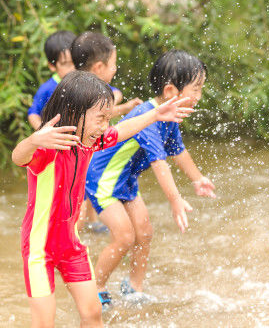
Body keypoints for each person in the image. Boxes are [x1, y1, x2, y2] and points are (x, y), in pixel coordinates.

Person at [12, 70, 193, 328]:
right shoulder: (49, 148)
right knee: (44, 323)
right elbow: (17, 157)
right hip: (39, 250)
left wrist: (154, 114)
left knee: (93, 314)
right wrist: (33, 140)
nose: (105, 126)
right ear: (74, 112)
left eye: (107, 118)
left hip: (70, 246)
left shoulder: (88, 142)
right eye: (101, 119)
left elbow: (119, 132)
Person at [85, 50, 217, 309]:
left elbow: (177, 150)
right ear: (170, 91)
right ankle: (96, 287)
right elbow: (159, 163)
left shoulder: (168, 115)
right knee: (124, 236)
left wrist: (197, 178)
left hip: (126, 181)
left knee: (144, 233)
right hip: (103, 180)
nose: (199, 97)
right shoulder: (148, 116)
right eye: (197, 89)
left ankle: (133, 287)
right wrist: (175, 200)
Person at [71, 31, 143, 231]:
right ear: (99, 67)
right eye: (113, 64)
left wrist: (123, 107)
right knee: (76, 213)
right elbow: (92, 119)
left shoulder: (75, 86)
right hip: (79, 161)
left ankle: (85, 232)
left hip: (80, 160)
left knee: (78, 205)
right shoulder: (85, 93)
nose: (116, 68)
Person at [28, 30, 76, 130]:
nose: (72, 68)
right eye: (65, 64)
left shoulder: (87, 82)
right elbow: (33, 113)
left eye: (75, 62)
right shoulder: (48, 88)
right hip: (57, 141)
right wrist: (44, 133)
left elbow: (113, 92)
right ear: (52, 65)